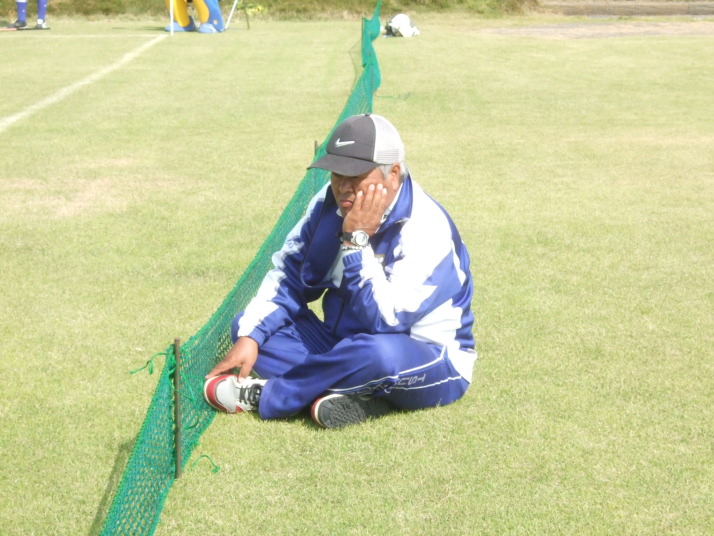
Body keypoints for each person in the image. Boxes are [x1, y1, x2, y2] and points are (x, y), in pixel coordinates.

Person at [203, 113, 476, 428]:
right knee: (253, 328)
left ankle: (268, 396)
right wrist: (251, 335)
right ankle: (353, 396)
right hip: (342, 349)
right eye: (336, 174)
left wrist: (356, 242)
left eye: (356, 175)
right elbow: (288, 278)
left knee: (377, 355)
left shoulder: (426, 227)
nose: (343, 187)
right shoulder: (326, 205)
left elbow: (385, 322)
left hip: (428, 359)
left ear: (393, 174)